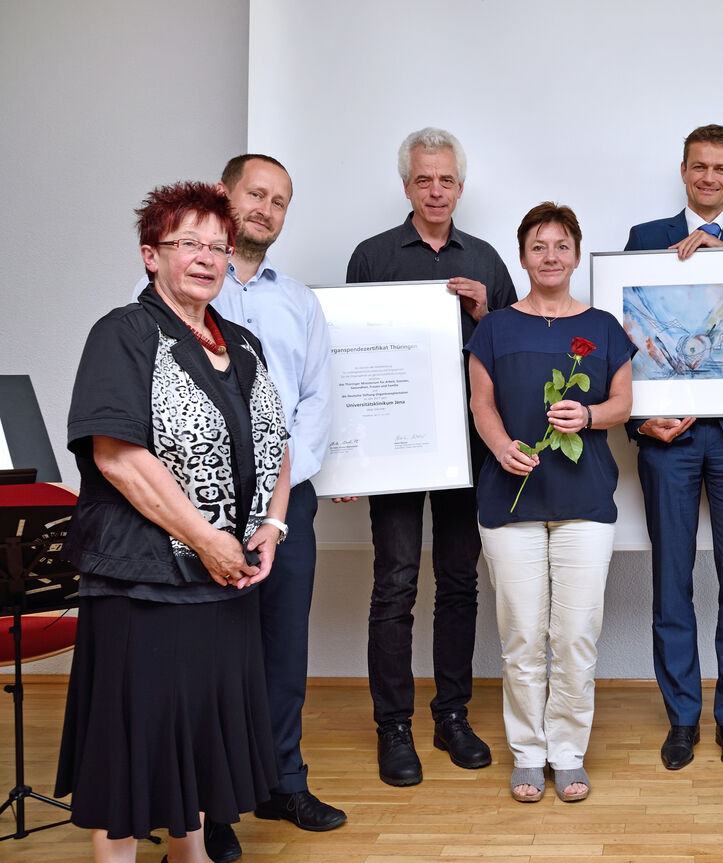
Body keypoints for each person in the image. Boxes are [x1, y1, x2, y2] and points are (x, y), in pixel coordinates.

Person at [57, 181, 290, 862]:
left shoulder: (242, 342)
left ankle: (187, 856)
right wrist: (207, 538)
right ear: (151, 255)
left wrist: (270, 527)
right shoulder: (123, 333)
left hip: (225, 585)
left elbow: (277, 440)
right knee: (137, 743)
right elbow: (118, 456)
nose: (206, 257)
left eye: (218, 246)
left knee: (195, 743)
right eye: (187, 242)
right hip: (144, 582)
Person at [129, 155, 340, 860]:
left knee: (282, 650)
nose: (267, 209)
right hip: (192, 510)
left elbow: (314, 402)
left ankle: (283, 780)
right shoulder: (168, 290)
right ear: (226, 197)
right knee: (210, 660)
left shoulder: (298, 301)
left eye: (281, 200)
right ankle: (207, 808)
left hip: (285, 508)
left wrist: (274, 502)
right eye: (257, 194)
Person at [345, 127, 517, 786]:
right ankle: (393, 726)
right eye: (424, 179)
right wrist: (352, 456)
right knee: (393, 584)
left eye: (446, 179)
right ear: (407, 185)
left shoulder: (487, 260)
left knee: (460, 582)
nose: (436, 190)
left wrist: (483, 312)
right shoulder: (372, 256)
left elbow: (510, 356)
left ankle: (451, 714)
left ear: (460, 186)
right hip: (391, 452)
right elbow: (353, 358)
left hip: (465, 450)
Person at [623, 124, 723, 772]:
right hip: (669, 438)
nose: (709, 177)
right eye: (699, 166)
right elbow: (624, 337)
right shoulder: (642, 241)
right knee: (671, 583)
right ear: (683, 169)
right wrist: (638, 420)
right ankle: (682, 717)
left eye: (721, 169)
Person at [467, 202, 635, 803]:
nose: (550, 256)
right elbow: (481, 404)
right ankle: (527, 753)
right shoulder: (494, 328)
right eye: (539, 246)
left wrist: (588, 415)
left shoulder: (606, 327)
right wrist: (501, 446)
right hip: (508, 499)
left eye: (561, 245)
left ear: (576, 254)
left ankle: (567, 752)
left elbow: (622, 405)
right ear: (523, 256)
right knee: (521, 635)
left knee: (574, 637)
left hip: (584, 500)